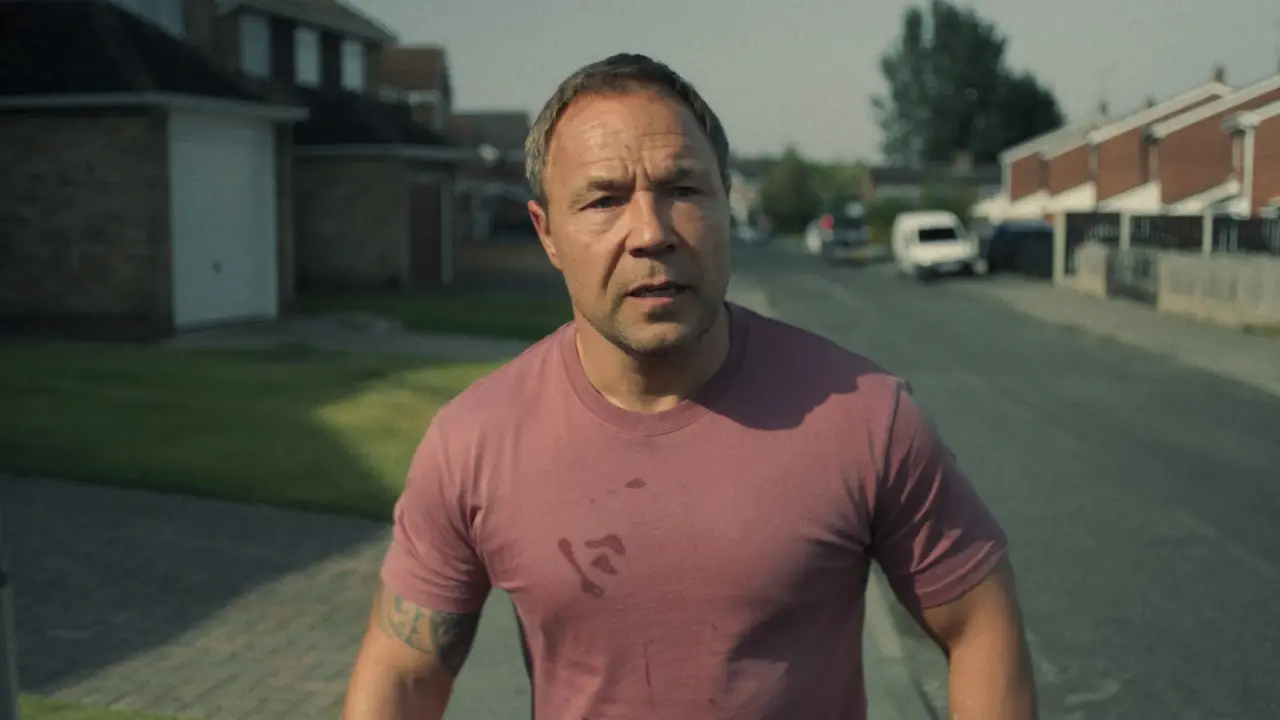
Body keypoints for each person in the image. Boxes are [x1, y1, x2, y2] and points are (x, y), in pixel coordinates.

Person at [343, 53, 1038, 720]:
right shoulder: (474, 442)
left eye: (682, 191)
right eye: (605, 200)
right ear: (547, 233)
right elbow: (404, 676)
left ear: (725, 202)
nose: (651, 233)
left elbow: (979, 624)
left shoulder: (865, 417)